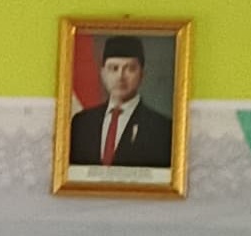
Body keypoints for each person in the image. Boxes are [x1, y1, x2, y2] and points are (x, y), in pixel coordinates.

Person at [67, 34, 173, 170]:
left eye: (130, 69)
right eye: (114, 68)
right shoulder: (81, 123)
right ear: (103, 74)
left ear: (142, 75)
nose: (120, 77)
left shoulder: (161, 128)